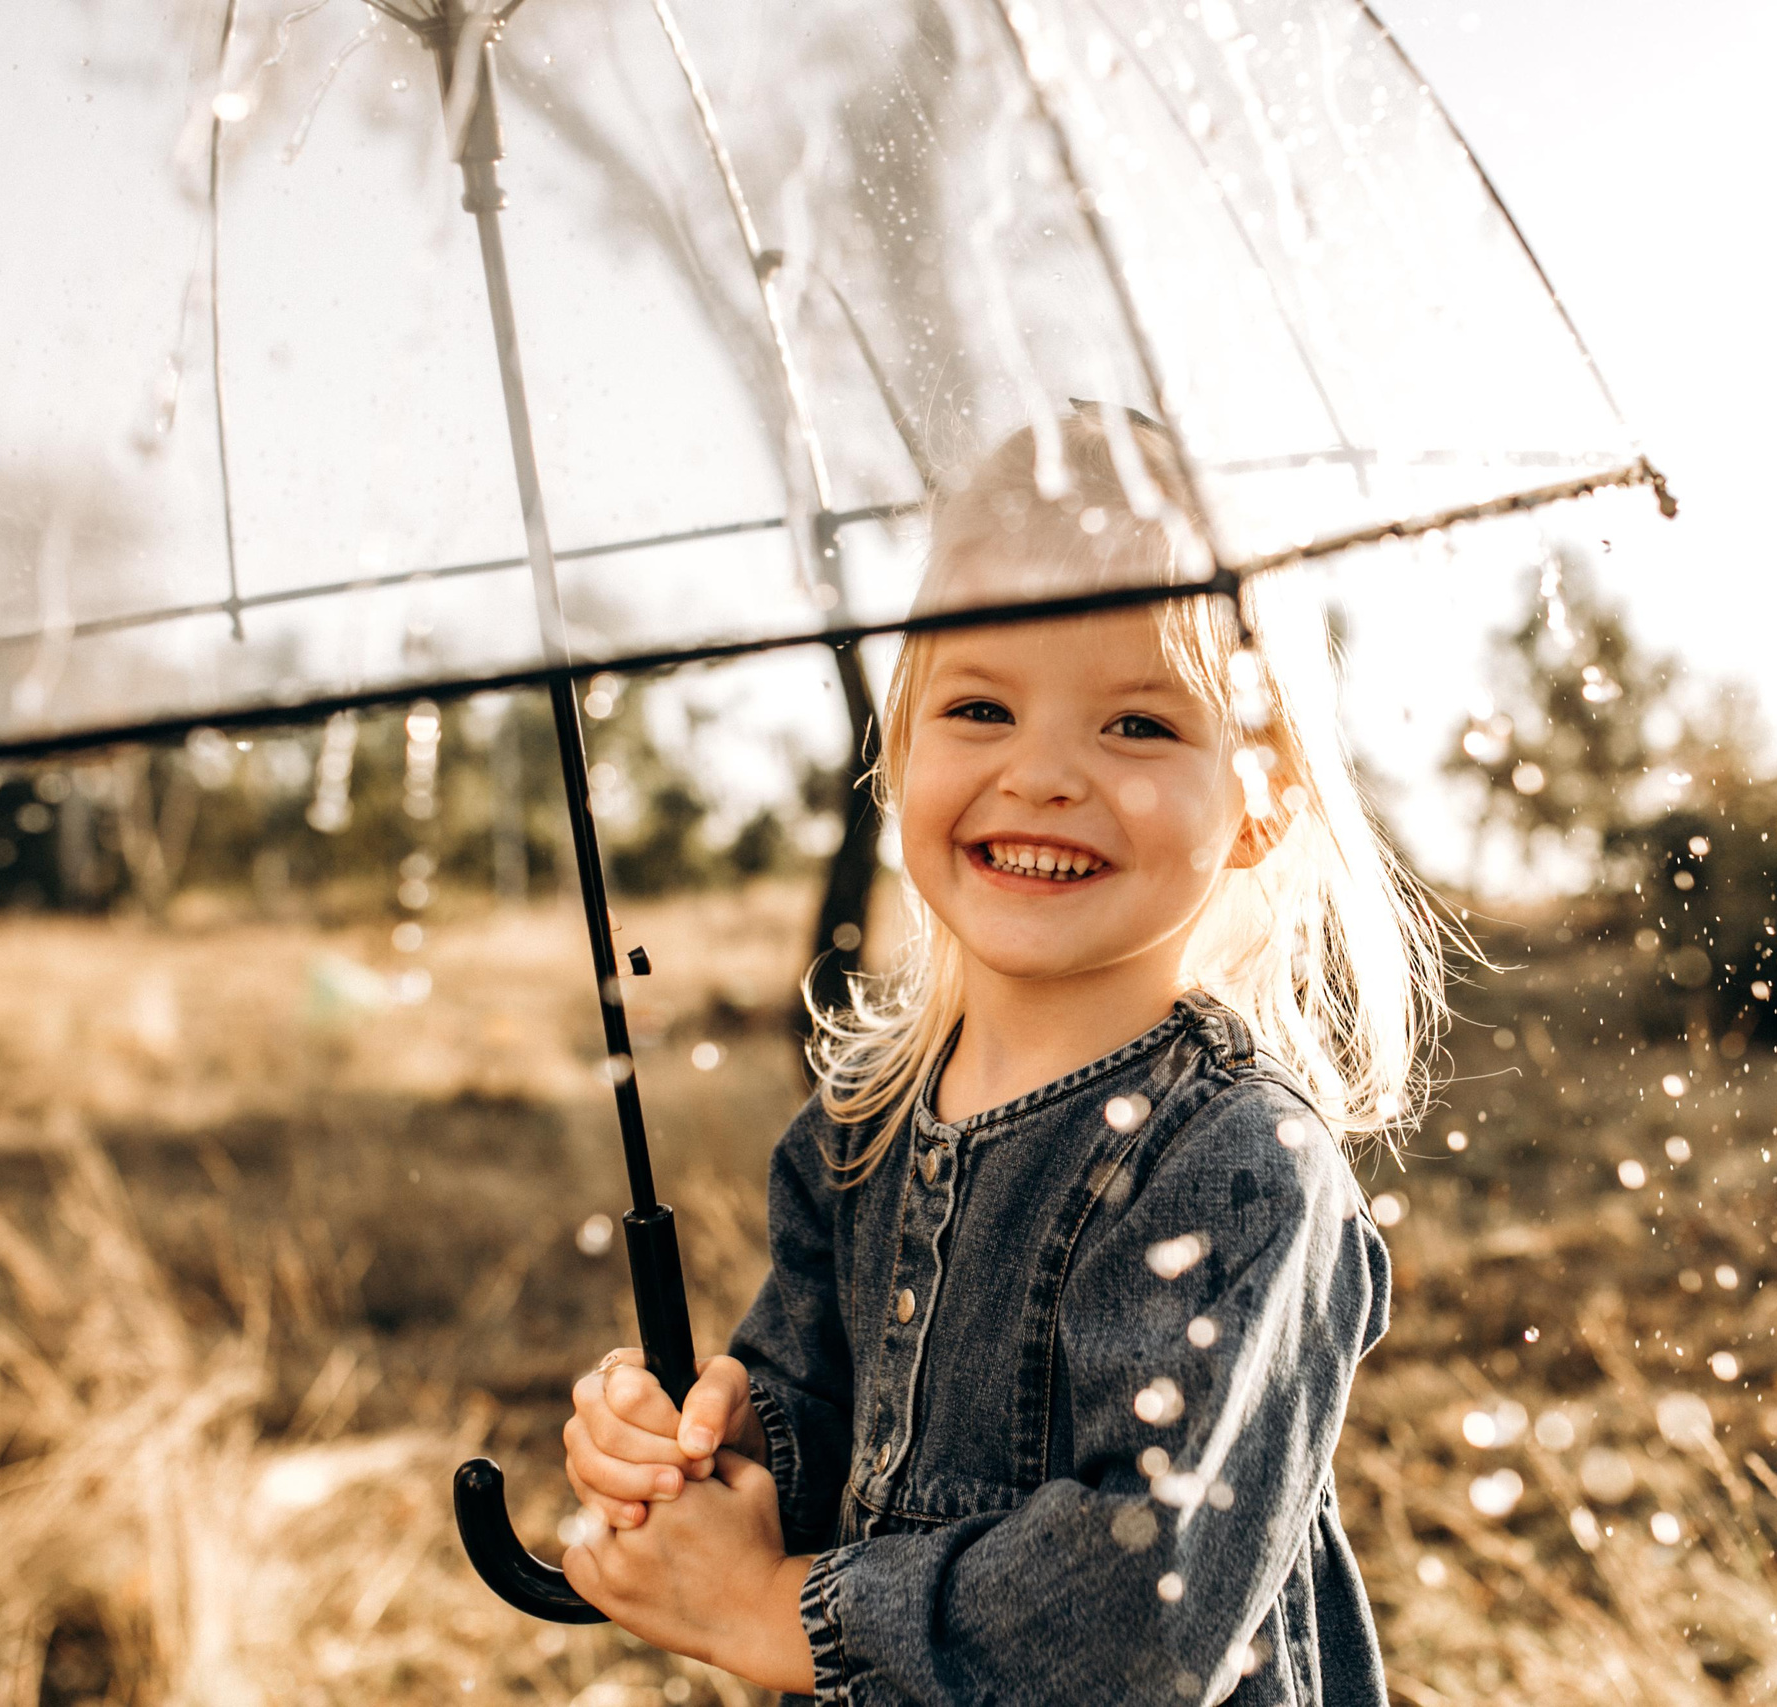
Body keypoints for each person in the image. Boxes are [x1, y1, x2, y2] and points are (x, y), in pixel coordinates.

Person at [558, 404, 1449, 1703]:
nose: (1041, 773)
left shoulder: (1242, 1162)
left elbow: (1149, 1606)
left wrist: (777, 1613)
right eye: (980, 707)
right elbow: (823, 1406)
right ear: (900, 746)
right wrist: (718, 1439)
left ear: (1260, 802)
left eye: (1139, 725)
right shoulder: (855, 1129)